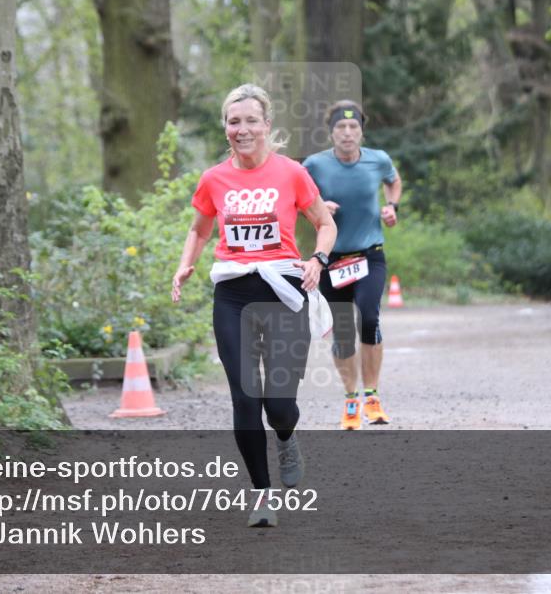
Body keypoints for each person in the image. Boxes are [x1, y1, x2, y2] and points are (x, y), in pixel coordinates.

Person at [172, 83, 336, 528]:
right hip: (233, 294)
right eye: (233, 121)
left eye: (250, 121)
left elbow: (324, 222)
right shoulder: (213, 179)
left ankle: (286, 436)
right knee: (245, 399)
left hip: (283, 290)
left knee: (279, 403)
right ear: (225, 128)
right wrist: (185, 266)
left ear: (267, 126)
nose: (241, 129)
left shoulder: (291, 173)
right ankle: (262, 494)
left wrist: (318, 259)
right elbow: (199, 230)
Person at [302, 100, 402, 430]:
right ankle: (351, 399)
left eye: (353, 127)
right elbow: (296, 197)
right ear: (331, 133)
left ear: (361, 131)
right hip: (332, 259)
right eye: (340, 128)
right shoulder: (315, 165)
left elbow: (393, 179)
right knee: (343, 331)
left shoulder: (378, 160)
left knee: (370, 315)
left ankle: (372, 396)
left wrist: (392, 207)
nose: (347, 133)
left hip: (369, 255)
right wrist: (317, 208)